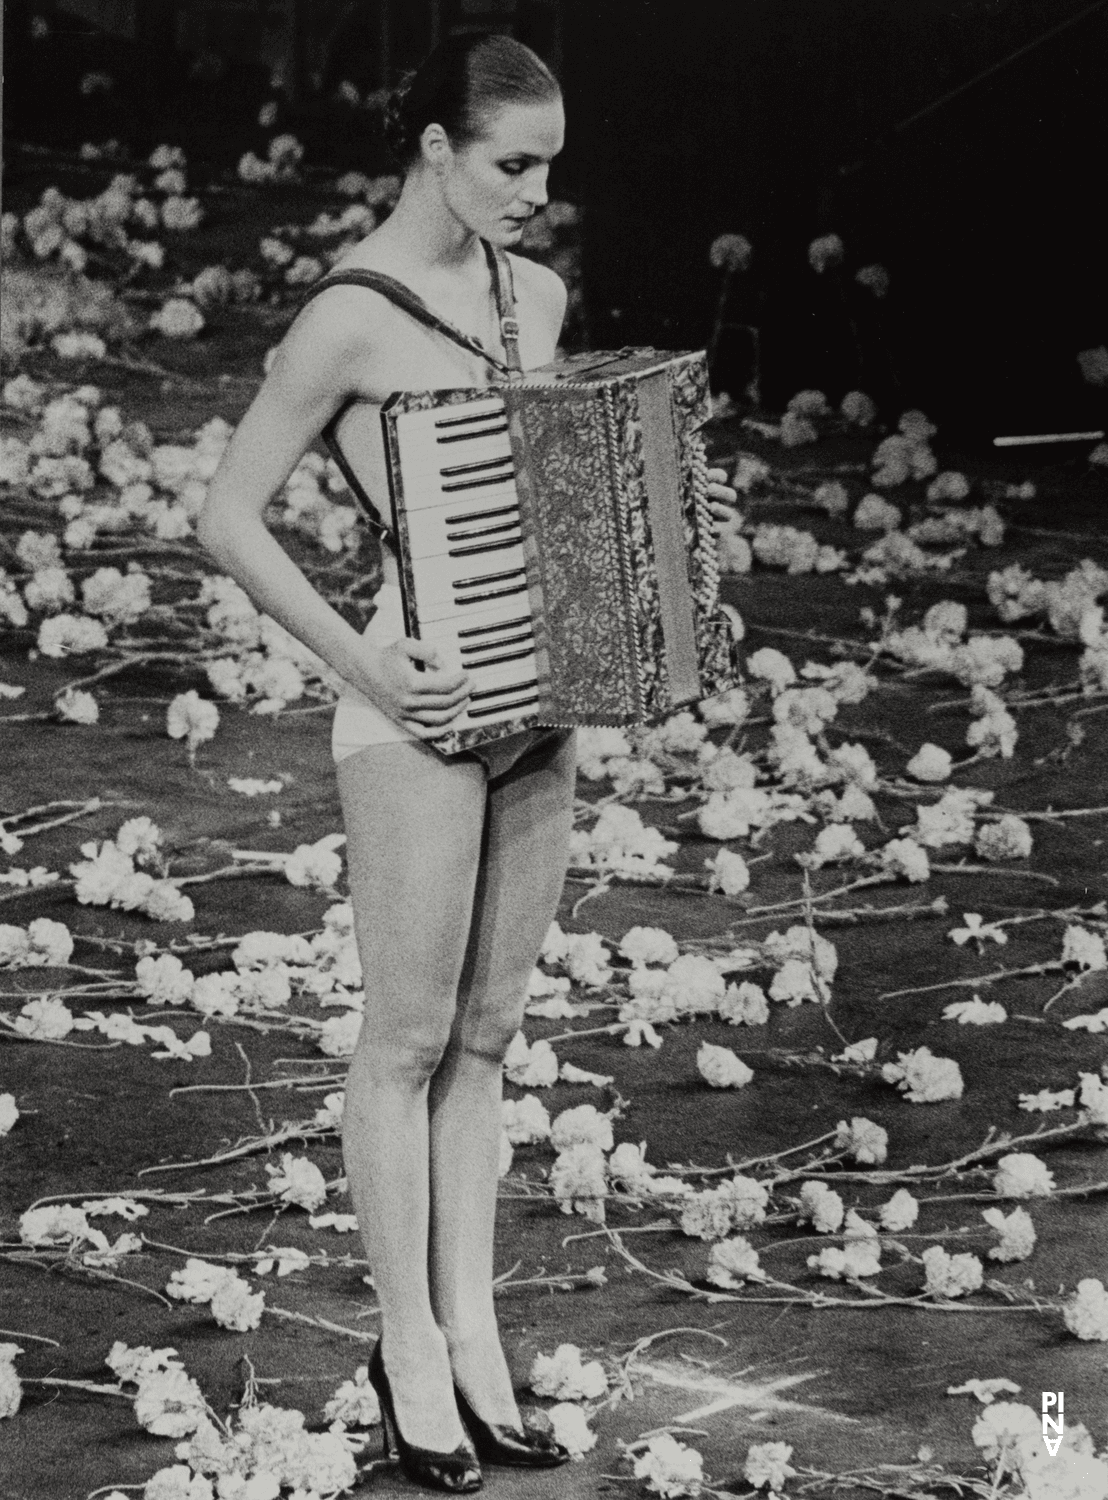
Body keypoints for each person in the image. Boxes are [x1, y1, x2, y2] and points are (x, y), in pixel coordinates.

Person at [199, 32, 737, 1494]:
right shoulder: (346, 321)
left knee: (490, 1040)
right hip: (411, 715)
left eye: (550, 166)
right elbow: (229, 516)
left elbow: (532, 504)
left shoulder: (538, 297)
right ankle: (407, 1349)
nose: (538, 194)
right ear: (433, 147)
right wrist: (364, 663)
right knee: (405, 1039)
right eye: (512, 163)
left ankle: (475, 1331)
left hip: (536, 710)